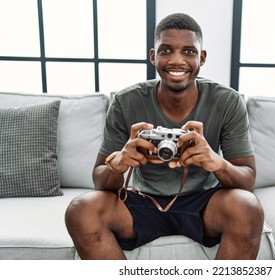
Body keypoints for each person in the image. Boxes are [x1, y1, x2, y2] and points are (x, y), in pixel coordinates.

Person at [65, 12, 264, 260]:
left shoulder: (227, 101)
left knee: (248, 207)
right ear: (153, 56)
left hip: (204, 202)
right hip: (140, 201)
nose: (177, 60)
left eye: (189, 52)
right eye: (166, 50)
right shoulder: (126, 102)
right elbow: (99, 181)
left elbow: (248, 182)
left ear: (202, 58)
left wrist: (216, 162)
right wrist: (118, 164)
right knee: (80, 210)